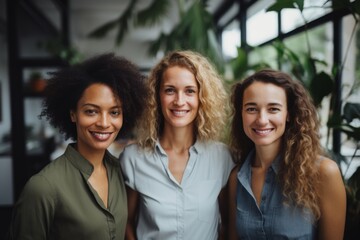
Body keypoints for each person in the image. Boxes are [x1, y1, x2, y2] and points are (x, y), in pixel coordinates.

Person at [8, 53, 148, 240]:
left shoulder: (120, 172)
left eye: (114, 112)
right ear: (73, 114)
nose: (104, 123)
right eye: (91, 111)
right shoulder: (43, 188)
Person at [119, 50, 235, 240]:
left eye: (189, 91)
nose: (179, 101)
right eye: (170, 90)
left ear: (201, 97)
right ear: (157, 96)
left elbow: (228, 224)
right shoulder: (134, 158)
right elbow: (126, 223)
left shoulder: (221, 157)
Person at [227, 69, 346, 239]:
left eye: (273, 109)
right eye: (251, 109)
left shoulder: (324, 173)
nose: (261, 120)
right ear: (241, 114)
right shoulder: (237, 178)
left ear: (288, 114)